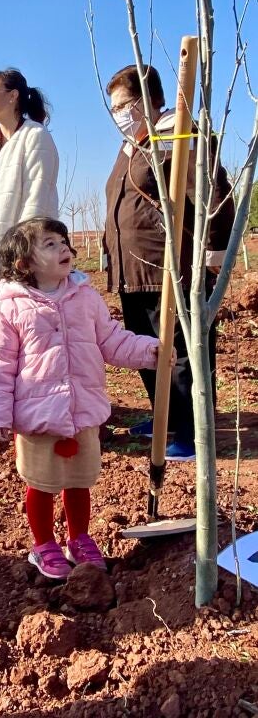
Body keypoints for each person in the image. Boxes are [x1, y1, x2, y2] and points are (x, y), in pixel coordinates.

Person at [0, 217, 168, 580]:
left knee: (80, 480)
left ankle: (79, 538)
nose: (63, 247)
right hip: (38, 416)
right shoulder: (9, 308)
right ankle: (43, 544)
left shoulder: (85, 297)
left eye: (63, 241)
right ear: (24, 263)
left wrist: (150, 351)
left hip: (83, 410)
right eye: (50, 244)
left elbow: (112, 339)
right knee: (42, 482)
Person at [104, 64, 235, 462]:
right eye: (113, 109)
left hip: (168, 266)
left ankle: (191, 430)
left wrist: (212, 257)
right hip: (134, 271)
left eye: (124, 105)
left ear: (149, 100)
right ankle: (164, 417)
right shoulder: (134, 143)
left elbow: (212, 189)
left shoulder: (176, 132)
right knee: (147, 348)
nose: (118, 115)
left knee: (179, 352)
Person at [0, 68, 59, 314]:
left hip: (20, 252)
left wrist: (24, 253)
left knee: (25, 320)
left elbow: (36, 200)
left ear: (13, 96)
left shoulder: (35, 136)